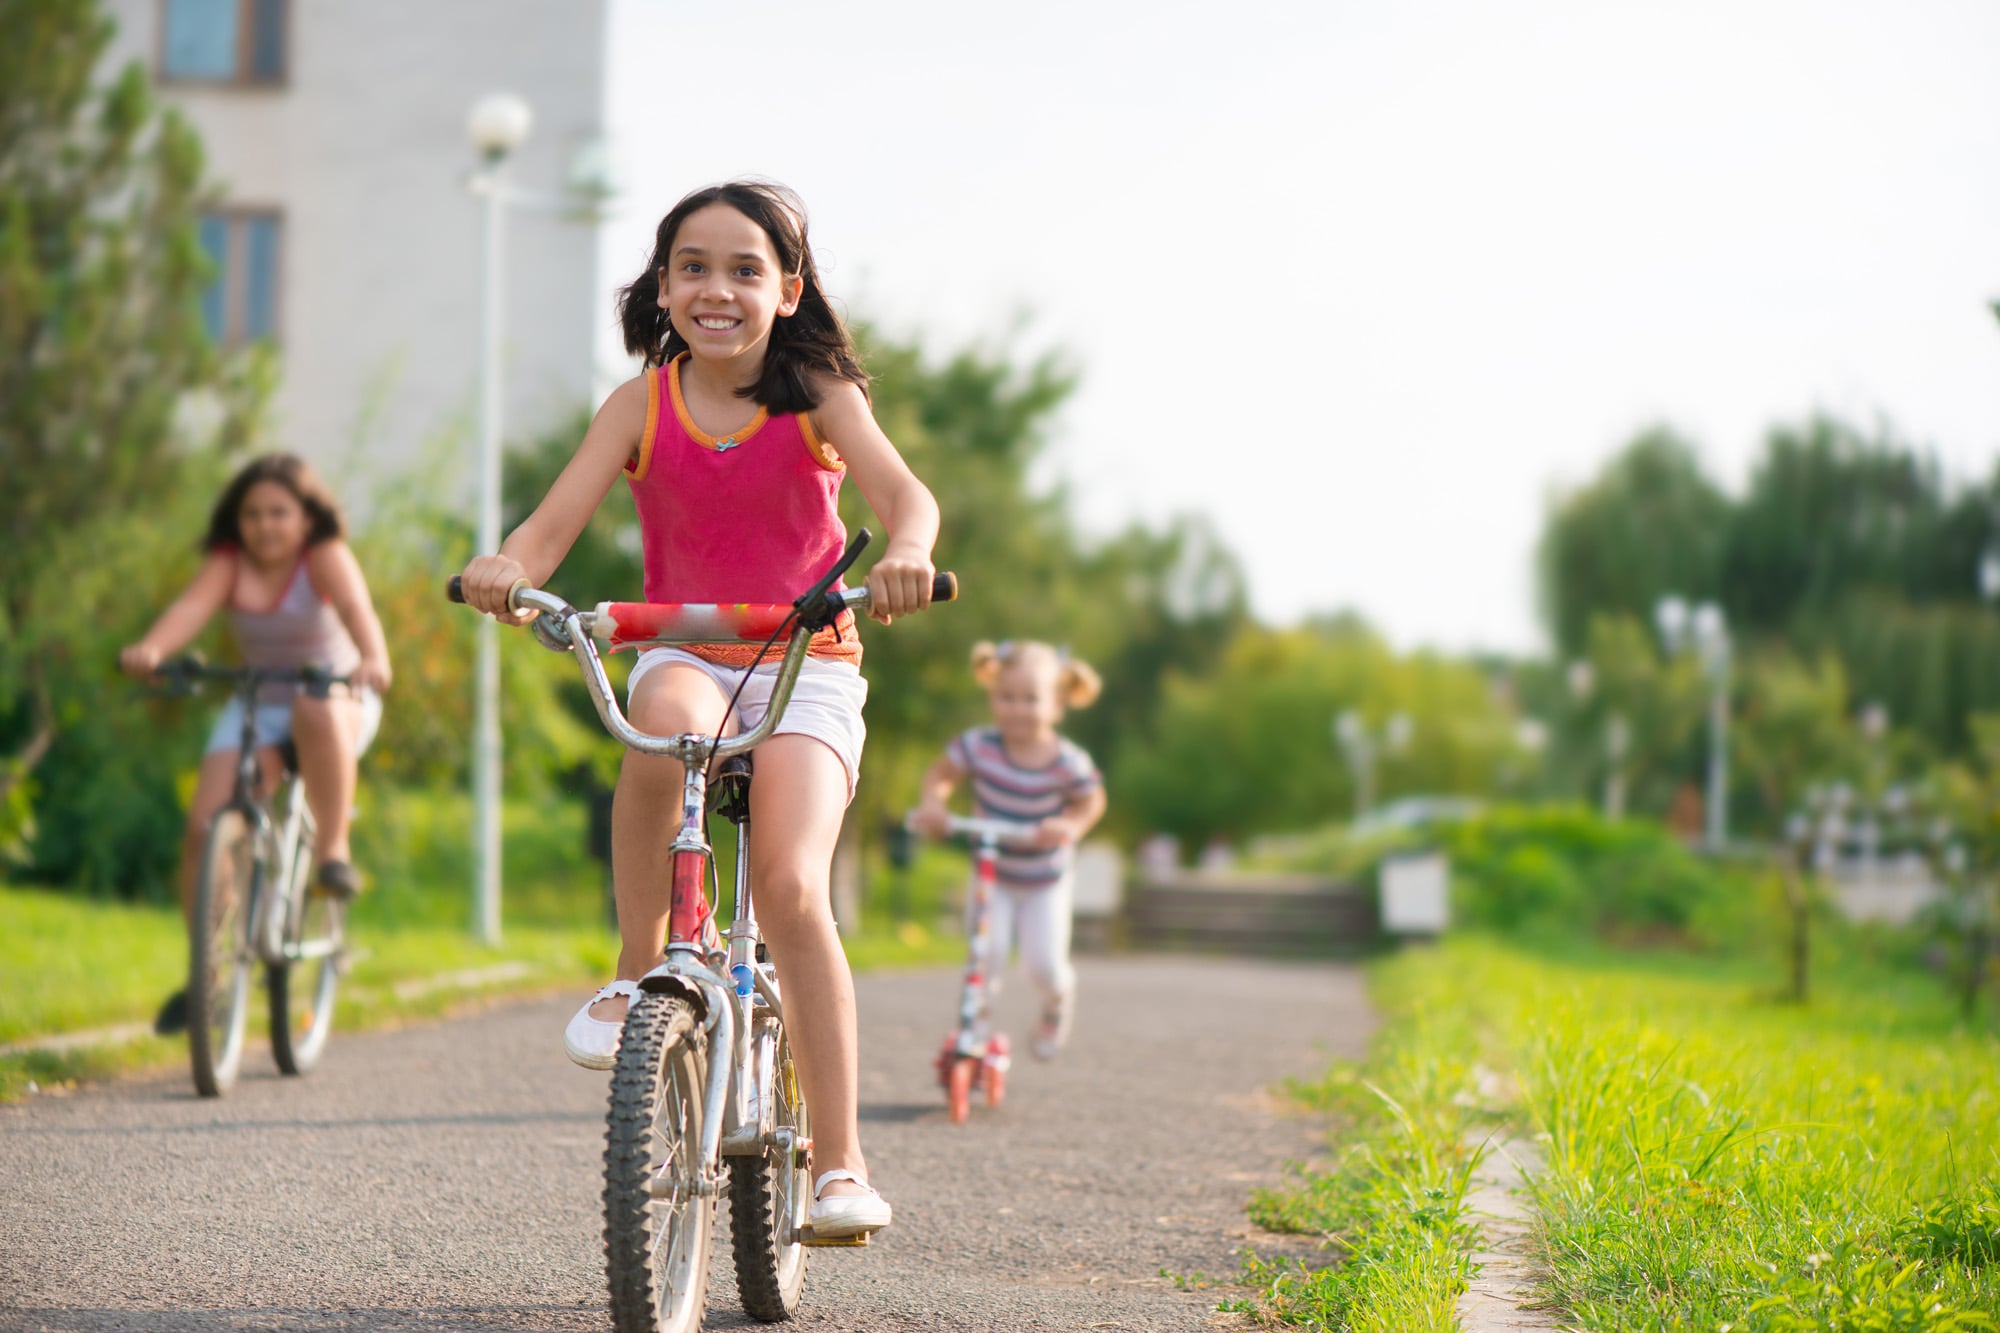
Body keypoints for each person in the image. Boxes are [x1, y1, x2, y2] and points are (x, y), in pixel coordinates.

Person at [456, 180, 939, 1240]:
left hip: (804, 658)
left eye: (743, 269)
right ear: (661, 286)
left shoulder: (817, 395)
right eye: (691, 265)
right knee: (657, 734)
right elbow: (549, 527)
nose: (715, 287)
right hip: (685, 647)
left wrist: (905, 551)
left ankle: (841, 1166)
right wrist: (506, 565)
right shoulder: (640, 403)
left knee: (790, 884)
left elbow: (907, 498)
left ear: (788, 290)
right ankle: (641, 969)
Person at [120, 454, 392, 1032]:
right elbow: (190, 609)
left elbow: (356, 610)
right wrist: (152, 650)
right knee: (204, 828)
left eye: (279, 513)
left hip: (337, 697)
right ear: (236, 521)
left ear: (305, 517)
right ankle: (208, 977)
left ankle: (332, 854)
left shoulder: (323, 556)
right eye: (252, 514)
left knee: (315, 706)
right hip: (262, 703)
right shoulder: (229, 563)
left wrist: (373, 657)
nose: (265, 525)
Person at [909, 640, 1107, 1060]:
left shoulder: (1066, 761)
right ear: (993, 697)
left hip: (1043, 880)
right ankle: (975, 1028)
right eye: (1007, 697)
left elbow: (1092, 800)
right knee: (986, 953)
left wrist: (1069, 825)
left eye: (1030, 699)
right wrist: (934, 804)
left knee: (1044, 967)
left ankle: (1057, 1002)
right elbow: (940, 775)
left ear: (1057, 704)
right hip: (991, 876)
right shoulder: (979, 746)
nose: (1017, 708)